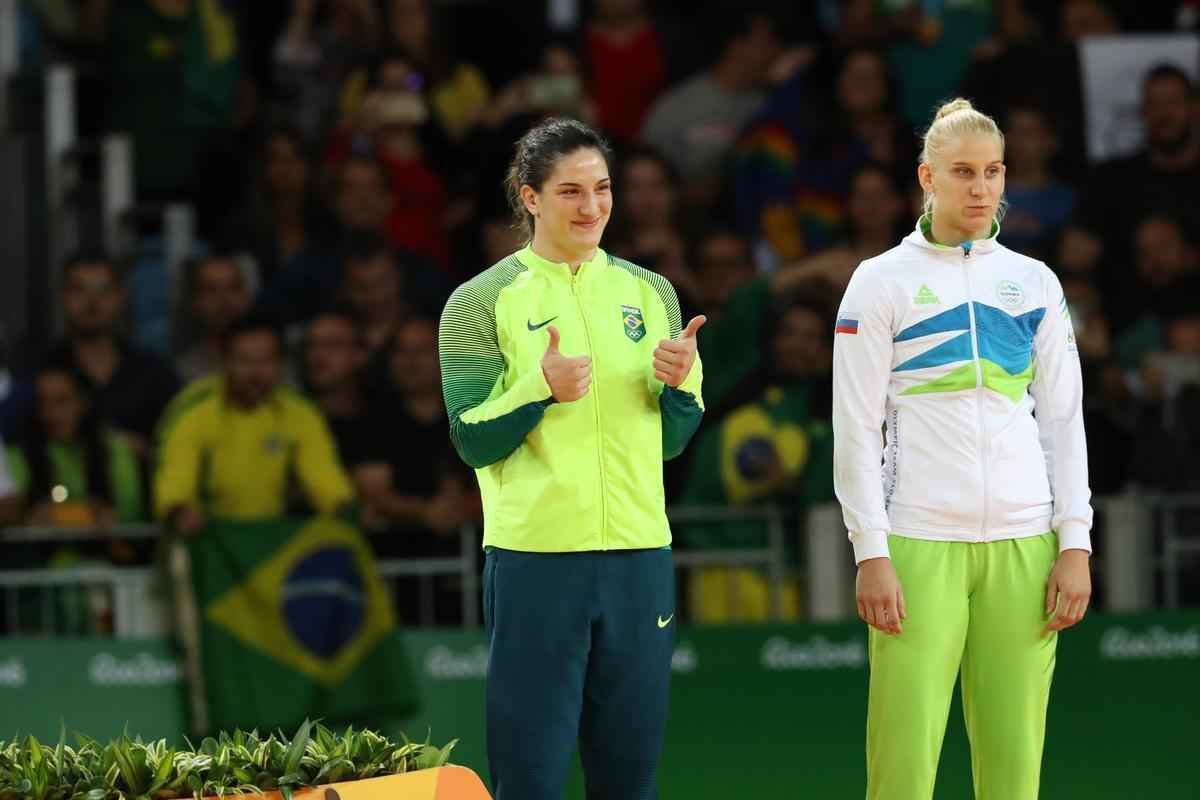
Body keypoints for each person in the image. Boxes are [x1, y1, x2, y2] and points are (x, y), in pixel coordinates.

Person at [832, 98, 1093, 799]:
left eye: (993, 171)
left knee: (1014, 768)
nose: (981, 188)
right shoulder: (879, 280)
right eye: (963, 172)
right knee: (903, 765)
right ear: (928, 177)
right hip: (918, 543)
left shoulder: (1035, 282)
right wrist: (871, 551)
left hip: (1026, 542)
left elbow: (1063, 421)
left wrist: (1075, 541)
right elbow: (855, 427)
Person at [438, 117, 705, 800]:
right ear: (529, 198)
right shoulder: (478, 301)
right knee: (530, 779)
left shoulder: (652, 293)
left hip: (639, 558)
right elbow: (470, 439)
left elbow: (671, 442)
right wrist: (538, 389)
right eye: (570, 192)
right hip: (537, 561)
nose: (592, 207)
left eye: (602, 189)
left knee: (629, 782)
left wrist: (680, 387)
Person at [155, 314, 354, 535]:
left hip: (270, 539)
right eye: (245, 361)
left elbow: (323, 475)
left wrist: (342, 506)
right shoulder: (194, 410)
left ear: (281, 364)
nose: (256, 373)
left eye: (266, 361)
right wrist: (179, 508)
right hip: (206, 537)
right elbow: (176, 476)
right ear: (225, 362)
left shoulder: (299, 412)